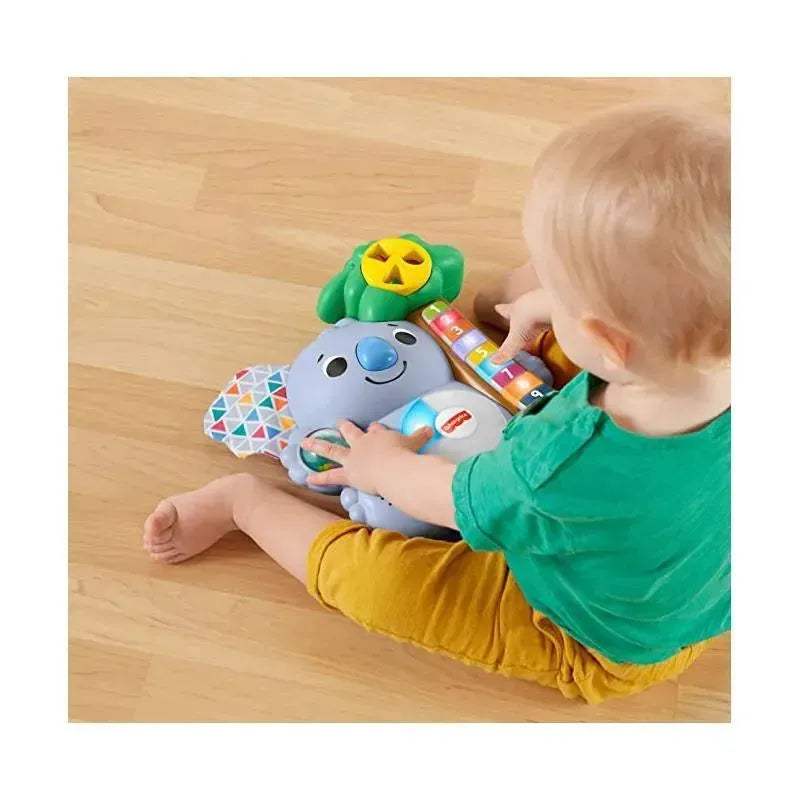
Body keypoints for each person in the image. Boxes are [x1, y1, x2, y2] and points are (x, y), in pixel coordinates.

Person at [143, 103, 730, 703]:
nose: (550, 290)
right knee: (609, 333)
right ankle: (524, 299)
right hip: (688, 576)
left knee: (382, 586)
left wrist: (380, 467)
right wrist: (559, 306)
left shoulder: (556, 465)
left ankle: (243, 505)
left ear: (608, 341)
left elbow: (447, 498)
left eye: (556, 282)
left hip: (591, 632)